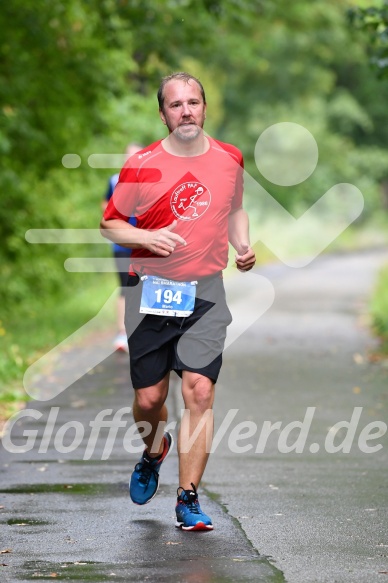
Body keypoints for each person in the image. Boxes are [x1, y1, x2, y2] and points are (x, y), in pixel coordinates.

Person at [100, 72, 256, 531]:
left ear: (205, 107)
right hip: (150, 290)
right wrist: (147, 235)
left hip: (205, 291)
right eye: (175, 104)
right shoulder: (142, 164)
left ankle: (187, 499)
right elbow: (110, 225)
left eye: (193, 102)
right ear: (162, 113)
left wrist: (242, 245)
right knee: (149, 399)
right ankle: (154, 449)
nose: (185, 111)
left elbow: (235, 208)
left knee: (200, 392)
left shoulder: (229, 158)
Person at [101, 143, 143, 352]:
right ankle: (121, 333)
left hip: (146, 244)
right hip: (121, 244)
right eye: (128, 156)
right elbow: (105, 206)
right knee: (126, 287)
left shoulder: (151, 180)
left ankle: (142, 331)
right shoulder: (114, 180)